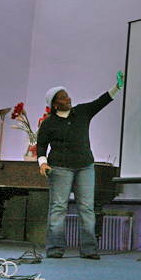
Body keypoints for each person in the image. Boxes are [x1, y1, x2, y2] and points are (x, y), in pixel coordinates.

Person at [36, 73, 123, 260]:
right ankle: (55, 249)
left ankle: (89, 249)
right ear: (54, 104)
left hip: (85, 166)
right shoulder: (49, 123)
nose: (67, 98)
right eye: (62, 97)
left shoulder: (82, 112)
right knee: (58, 208)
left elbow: (101, 101)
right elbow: (41, 145)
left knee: (86, 208)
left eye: (67, 95)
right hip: (59, 168)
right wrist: (42, 163)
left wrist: (117, 86)